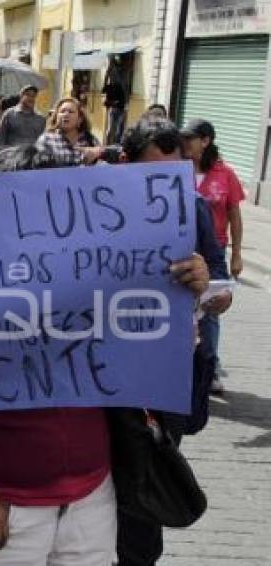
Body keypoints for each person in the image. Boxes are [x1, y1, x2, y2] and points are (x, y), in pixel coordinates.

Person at [0, 143, 210, 566]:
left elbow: (161, 354)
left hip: (93, 503)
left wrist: (188, 290)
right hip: (1, 509)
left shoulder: (98, 280)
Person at [116, 116, 230, 566]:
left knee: (143, 508)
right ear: (125, 164)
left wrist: (208, 286)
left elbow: (222, 290)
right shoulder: (89, 208)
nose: (164, 186)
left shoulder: (194, 209)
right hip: (101, 384)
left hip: (161, 388)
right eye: (152, 173)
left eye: (174, 173)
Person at [181, 118, 243, 396]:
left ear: (205, 141)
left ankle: (210, 364)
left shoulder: (224, 174)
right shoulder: (177, 168)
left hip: (214, 250)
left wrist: (237, 254)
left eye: (190, 138)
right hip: (184, 252)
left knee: (210, 313)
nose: (185, 143)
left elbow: (234, 215)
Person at [35, 97, 102, 166]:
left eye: (71, 112)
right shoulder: (46, 140)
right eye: (62, 111)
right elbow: (40, 169)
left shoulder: (90, 139)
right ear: (56, 117)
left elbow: (101, 165)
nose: (66, 114)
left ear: (80, 119)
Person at [102, 64, 127, 145]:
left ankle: (110, 144)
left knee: (114, 129)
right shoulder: (116, 86)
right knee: (115, 129)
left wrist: (107, 74)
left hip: (117, 109)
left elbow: (103, 89)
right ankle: (112, 144)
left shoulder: (113, 86)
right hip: (117, 109)